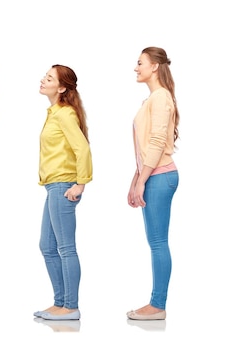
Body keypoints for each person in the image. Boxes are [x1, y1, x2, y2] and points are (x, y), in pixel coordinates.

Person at [33, 65, 92, 321]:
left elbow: (83, 149)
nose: (42, 80)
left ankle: (71, 306)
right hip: (53, 187)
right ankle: (60, 303)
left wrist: (81, 183)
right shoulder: (54, 112)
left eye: (49, 78)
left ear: (62, 87)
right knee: (47, 245)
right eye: (44, 76)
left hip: (63, 186)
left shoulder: (65, 114)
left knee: (66, 247)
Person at [126, 47, 179, 321]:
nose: (136, 68)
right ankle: (156, 304)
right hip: (153, 175)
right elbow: (147, 145)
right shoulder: (153, 99)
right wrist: (135, 179)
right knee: (156, 241)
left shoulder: (160, 98)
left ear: (155, 66)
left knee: (158, 242)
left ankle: (157, 305)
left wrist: (142, 179)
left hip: (160, 176)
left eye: (140, 63)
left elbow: (158, 142)